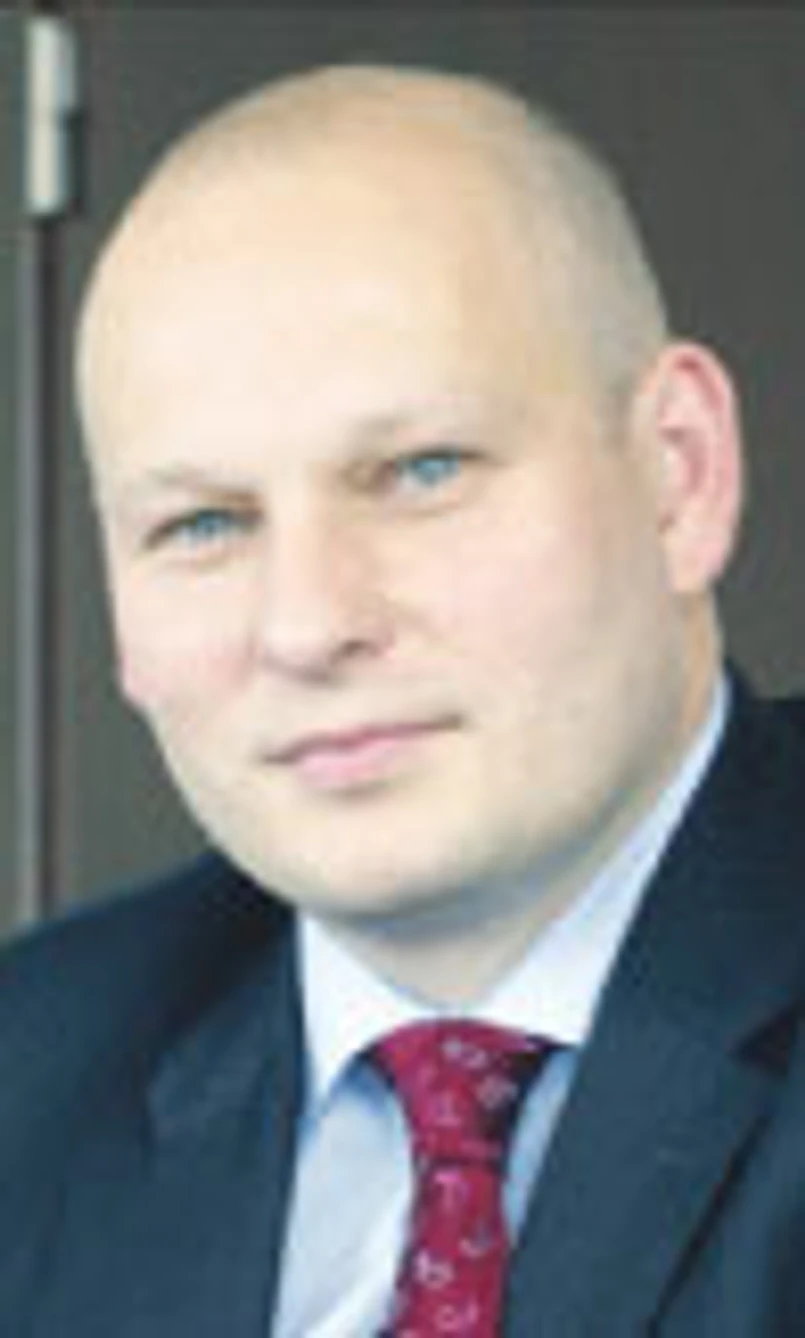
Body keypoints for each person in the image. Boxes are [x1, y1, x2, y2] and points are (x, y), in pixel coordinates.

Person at [2, 61, 805, 1338]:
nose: (307, 625)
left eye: (422, 472)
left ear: (678, 475)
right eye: (202, 524)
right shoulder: (31, 1076)